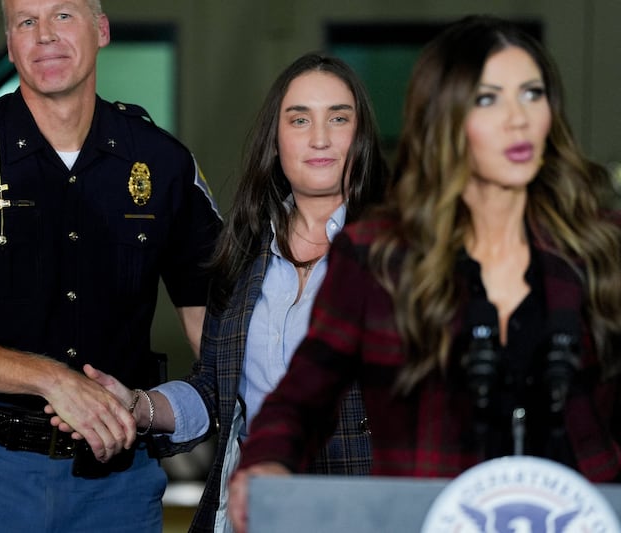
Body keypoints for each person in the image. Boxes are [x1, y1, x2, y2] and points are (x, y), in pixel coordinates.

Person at [228, 14, 621, 532]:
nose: (518, 120)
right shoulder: (378, 257)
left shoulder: (598, 249)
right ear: (445, 117)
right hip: (426, 519)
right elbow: (300, 397)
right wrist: (265, 463)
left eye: (532, 94)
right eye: (488, 99)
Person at [0, 0, 221, 531]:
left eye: (62, 16)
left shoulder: (163, 163)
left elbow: (222, 344)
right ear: (11, 45)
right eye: (26, 22)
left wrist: (151, 407)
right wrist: (51, 380)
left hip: (117, 485)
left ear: (101, 29)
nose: (44, 35)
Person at [60, 52, 388, 532]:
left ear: (361, 136)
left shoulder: (404, 255)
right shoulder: (242, 256)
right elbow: (215, 391)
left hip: (363, 512)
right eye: (299, 120)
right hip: (250, 512)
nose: (320, 138)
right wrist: (136, 404)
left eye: (339, 118)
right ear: (276, 140)